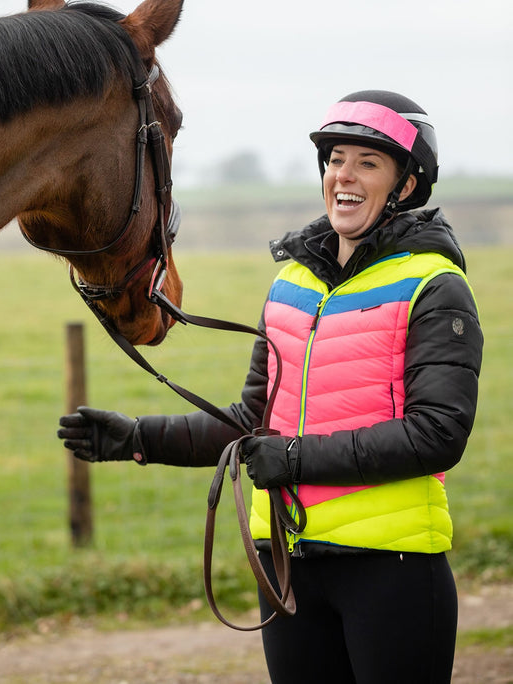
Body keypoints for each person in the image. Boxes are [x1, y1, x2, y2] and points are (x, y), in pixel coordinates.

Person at [58, 90, 483, 684]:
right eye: (336, 159)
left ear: (406, 185)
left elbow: (437, 434)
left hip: (394, 567)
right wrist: (137, 438)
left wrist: (294, 458)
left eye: (368, 162)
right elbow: (254, 421)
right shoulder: (291, 284)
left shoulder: (435, 287)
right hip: (287, 566)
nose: (344, 176)